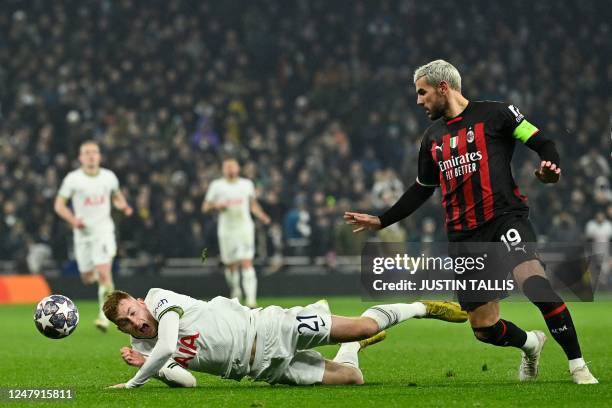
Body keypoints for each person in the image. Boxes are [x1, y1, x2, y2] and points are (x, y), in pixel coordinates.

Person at [344, 60, 598, 384]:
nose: (418, 101)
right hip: (465, 237)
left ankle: (578, 365)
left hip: (505, 218)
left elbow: (541, 142)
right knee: (484, 328)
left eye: (422, 93)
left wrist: (551, 168)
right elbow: (422, 189)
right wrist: (383, 219)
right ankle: (532, 344)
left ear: (443, 88)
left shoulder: (497, 115)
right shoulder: (432, 138)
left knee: (535, 284)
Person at [102, 288, 467, 388]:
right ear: (122, 330)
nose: (135, 322)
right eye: (126, 324)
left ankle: (422, 306)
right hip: (265, 370)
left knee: (365, 325)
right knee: (352, 378)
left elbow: (168, 343)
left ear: (138, 301)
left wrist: (136, 381)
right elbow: (190, 380)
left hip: (271, 328)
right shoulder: (144, 349)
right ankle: (351, 349)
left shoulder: (159, 298)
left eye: (132, 312)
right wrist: (159, 370)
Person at [54, 140, 133, 332]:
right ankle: (103, 285)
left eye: (94, 152)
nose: (91, 155)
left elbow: (117, 196)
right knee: (88, 277)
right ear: (80, 157)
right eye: (87, 152)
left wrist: (123, 205)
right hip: (83, 235)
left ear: (99, 156)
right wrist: (73, 221)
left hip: (103, 231)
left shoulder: (109, 177)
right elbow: (59, 205)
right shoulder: (73, 179)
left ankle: (105, 316)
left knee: (104, 272)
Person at [202, 157, 271, 308]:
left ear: (238, 168)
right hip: (226, 230)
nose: (231, 169)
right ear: (223, 169)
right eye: (227, 166)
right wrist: (216, 205)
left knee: (246, 262)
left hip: (244, 227)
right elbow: (205, 207)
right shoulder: (217, 186)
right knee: (231, 265)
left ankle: (251, 300)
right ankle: (236, 290)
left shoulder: (246, 184)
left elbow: (252, 205)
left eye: (233, 166)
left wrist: (262, 216)